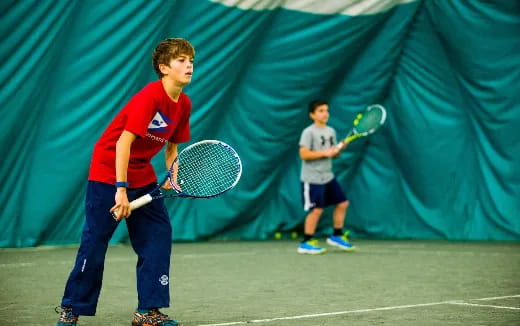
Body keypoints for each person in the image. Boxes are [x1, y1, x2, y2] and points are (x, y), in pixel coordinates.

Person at [56, 38, 195, 326]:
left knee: (158, 235)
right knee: (95, 241)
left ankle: (148, 312)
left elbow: (171, 148)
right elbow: (123, 143)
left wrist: (173, 177)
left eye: (191, 60)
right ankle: (71, 307)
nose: (189, 65)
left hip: (143, 174)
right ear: (163, 68)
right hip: (109, 170)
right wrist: (120, 190)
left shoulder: (183, 104)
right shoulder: (150, 96)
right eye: (181, 60)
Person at [297, 100, 356, 254]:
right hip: (312, 178)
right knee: (317, 210)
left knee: (343, 203)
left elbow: (333, 155)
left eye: (326, 110)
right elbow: (303, 154)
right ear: (312, 115)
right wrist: (325, 153)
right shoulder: (308, 132)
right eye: (321, 111)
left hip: (328, 176)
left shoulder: (331, 131)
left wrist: (339, 149)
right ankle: (306, 242)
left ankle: (336, 235)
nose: (325, 113)